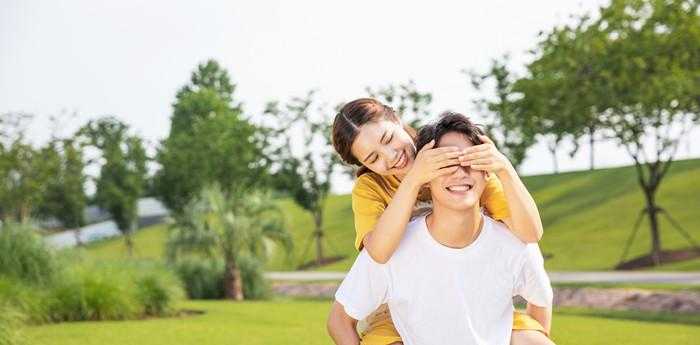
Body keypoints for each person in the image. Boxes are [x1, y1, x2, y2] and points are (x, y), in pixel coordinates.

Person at [330, 99, 548, 345]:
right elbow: (378, 253)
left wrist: (504, 167)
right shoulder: (371, 188)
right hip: (399, 308)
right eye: (373, 158)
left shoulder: (457, 162)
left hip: (476, 302)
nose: (391, 156)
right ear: (365, 165)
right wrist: (413, 180)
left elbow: (530, 233)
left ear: (396, 120)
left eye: (388, 139)